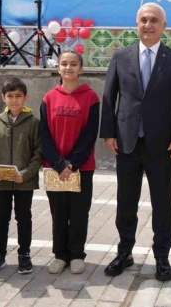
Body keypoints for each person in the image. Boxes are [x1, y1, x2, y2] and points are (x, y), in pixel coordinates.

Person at [100, 2, 171, 282]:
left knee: (162, 203)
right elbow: (109, 97)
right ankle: (124, 252)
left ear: (164, 26)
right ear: (136, 24)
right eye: (143, 20)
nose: (148, 25)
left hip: (162, 145)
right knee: (126, 202)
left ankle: (162, 257)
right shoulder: (121, 56)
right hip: (126, 143)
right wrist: (109, 133)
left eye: (154, 20)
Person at [40, 51, 100, 275]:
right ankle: (60, 254)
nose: (68, 68)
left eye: (73, 64)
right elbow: (44, 135)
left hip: (81, 167)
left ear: (80, 69)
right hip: (54, 168)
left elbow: (89, 135)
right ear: (58, 68)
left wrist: (72, 164)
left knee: (79, 212)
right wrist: (58, 164)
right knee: (58, 212)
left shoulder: (91, 97)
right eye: (64, 64)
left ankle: (76, 254)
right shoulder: (49, 98)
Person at [0, 77, 42, 275]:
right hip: (0, 181)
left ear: (25, 97)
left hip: (24, 182)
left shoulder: (33, 123)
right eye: (10, 96)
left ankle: (24, 254)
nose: (14, 100)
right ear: (3, 98)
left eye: (18, 96)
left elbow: (38, 154)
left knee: (24, 217)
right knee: (1, 218)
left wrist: (25, 174)